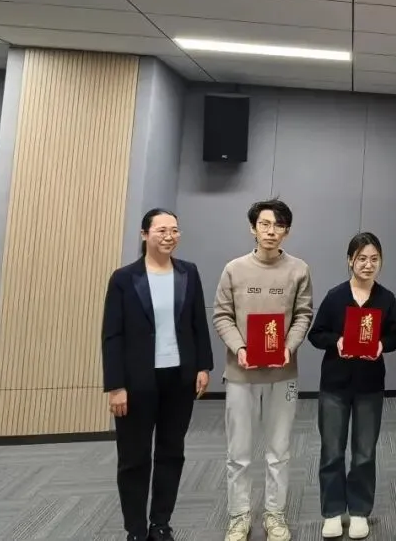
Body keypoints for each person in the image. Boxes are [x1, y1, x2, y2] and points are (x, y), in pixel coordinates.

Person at [101, 209, 213, 541]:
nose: (169, 236)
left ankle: (160, 522)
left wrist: (203, 366)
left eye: (174, 230)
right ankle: (135, 529)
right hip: (137, 381)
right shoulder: (124, 278)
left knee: (171, 452)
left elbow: (198, 322)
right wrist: (116, 385)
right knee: (134, 458)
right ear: (144, 234)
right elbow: (112, 335)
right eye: (162, 230)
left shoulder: (189, 272)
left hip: (179, 378)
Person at [214, 199, 314, 541]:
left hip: (282, 374)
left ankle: (275, 515)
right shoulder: (234, 269)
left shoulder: (299, 269)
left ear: (287, 231)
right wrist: (239, 348)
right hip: (240, 374)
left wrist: (289, 346)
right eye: (265, 224)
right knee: (239, 453)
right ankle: (239, 516)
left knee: (278, 452)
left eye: (279, 225)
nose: (271, 231)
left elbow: (303, 314)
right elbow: (222, 315)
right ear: (253, 228)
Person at [308, 232, 396, 539]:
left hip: (370, 387)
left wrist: (381, 345)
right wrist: (336, 341)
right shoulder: (336, 296)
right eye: (361, 258)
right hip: (334, 386)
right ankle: (333, 512)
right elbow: (316, 334)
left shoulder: (386, 298)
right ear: (350, 260)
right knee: (332, 451)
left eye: (374, 259)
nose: (368, 264)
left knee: (364, 452)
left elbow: (395, 336)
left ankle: (360, 511)